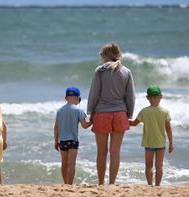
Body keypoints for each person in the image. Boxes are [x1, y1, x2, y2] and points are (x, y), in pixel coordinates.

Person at [87, 43, 135, 185]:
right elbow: (130, 96)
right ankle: (112, 183)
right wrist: (129, 114)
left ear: (106, 55)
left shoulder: (100, 71)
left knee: (102, 152)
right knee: (115, 152)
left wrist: (91, 112)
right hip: (120, 113)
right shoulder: (126, 71)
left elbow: (94, 94)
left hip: (102, 113)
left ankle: (101, 183)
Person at [129, 85, 174, 186]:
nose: (153, 99)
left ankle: (150, 185)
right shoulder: (165, 112)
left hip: (148, 142)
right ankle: (157, 185)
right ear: (161, 97)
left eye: (153, 97)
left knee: (148, 166)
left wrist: (124, 120)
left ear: (147, 98)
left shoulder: (144, 111)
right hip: (160, 143)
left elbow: (134, 123)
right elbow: (169, 129)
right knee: (159, 166)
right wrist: (171, 143)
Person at [54, 86, 92, 185]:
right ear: (78, 98)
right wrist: (92, 121)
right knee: (72, 163)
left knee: (64, 163)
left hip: (62, 140)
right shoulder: (78, 110)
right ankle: (70, 184)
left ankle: (65, 182)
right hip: (73, 140)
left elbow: (56, 127)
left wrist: (55, 141)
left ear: (65, 98)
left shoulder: (59, 111)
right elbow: (84, 126)